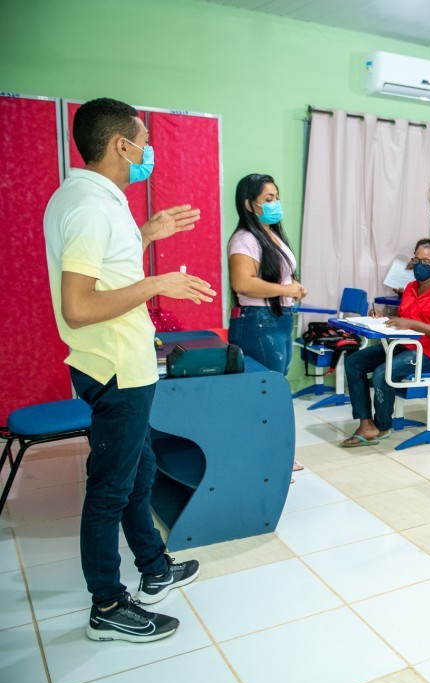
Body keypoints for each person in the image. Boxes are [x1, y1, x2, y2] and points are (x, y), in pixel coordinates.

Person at [43, 98, 214, 642]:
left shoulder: (90, 199)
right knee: (110, 489)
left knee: (139, 472)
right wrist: (158, 283)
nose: (147, 153)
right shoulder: (90, 207)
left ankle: (153, 568)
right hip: (114, 367)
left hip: (122, 363)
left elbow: (107, 269)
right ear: (122, 145)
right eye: (143, 143)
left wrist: (145, 234)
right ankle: (108, 607)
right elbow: (79, 306)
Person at [342, 241, 430, 445]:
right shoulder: (410, 288)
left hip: (429, 354)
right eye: (416, 259)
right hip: (402, 345)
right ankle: (366, 424)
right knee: (354, 362)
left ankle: (382, 426)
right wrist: (383, 318)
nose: (419, 265)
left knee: (382, 373)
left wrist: (411, 323)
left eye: (426, 261)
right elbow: (404, 320)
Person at [227, 174, 307, 471]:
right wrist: (286, 290)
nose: (276, 204)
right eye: (268, 199)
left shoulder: (271, 235)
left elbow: (280, 277)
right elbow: (242, 283)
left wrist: (293, 287)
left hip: (279, 319)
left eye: (277, 197)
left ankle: (274, 455)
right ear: (250, 204)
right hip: (259, 322)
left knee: (274, 389)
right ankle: (266, 461)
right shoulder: (244, 239)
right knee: (264, 392)